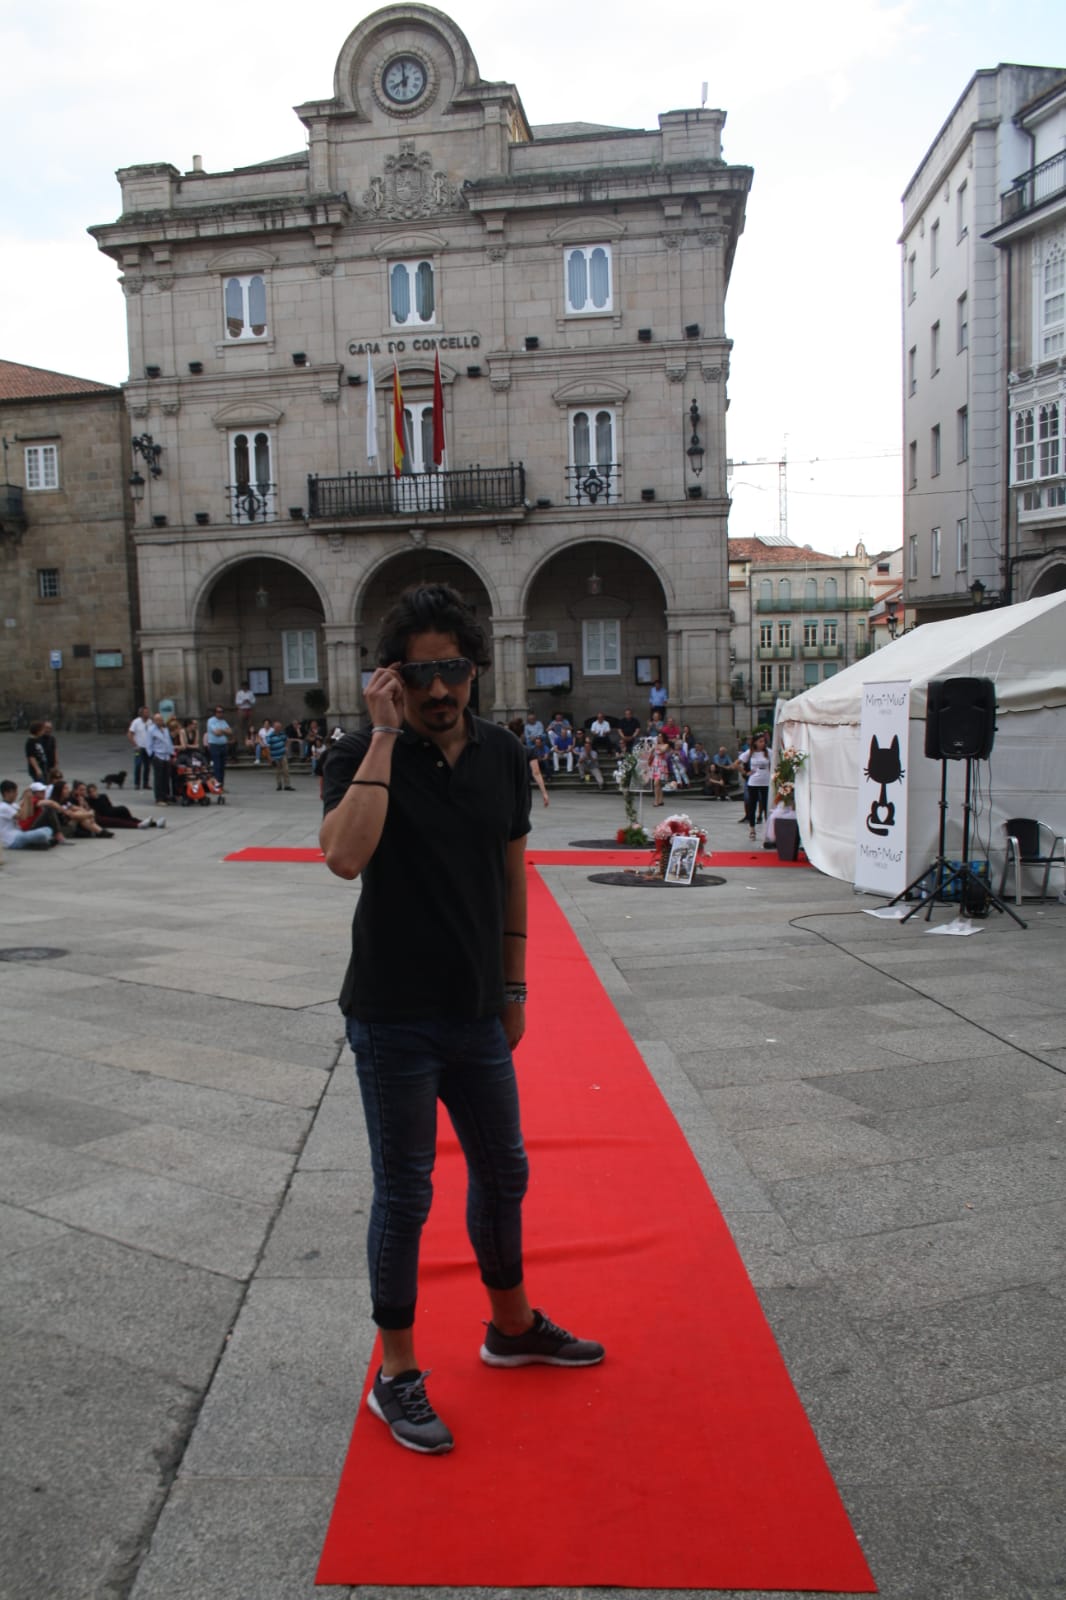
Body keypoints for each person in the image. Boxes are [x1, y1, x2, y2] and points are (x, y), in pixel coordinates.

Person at [320, 582, 602, 1455]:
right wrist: (384, 739)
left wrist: (514, 987)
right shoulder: (356, 753)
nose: (439, 690)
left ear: (476, 670)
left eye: (453, 671)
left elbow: (514, 873)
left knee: (504, 1171)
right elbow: (343, 856)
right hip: (394, 1015)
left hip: (479, 1011)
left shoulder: (502, 754)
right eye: (419, 672)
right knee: (406, 1193)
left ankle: (510, 1327)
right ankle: (396, 1373)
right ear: (389, 677)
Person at [82, 782, 165, 829]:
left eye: (94, 791)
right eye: (91, 792)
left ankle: (154, 824)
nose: (94, 793)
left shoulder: (103, 796)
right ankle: (142, 824)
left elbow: (109, 805)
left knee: (128, 817)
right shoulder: (89, 800)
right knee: (123, 820)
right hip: (105, 815)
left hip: (110, 811)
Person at [0, 781, 56, 850]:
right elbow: (23, 817)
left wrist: (29, 799)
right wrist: (26, 799)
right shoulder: (3, 807)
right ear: (6, 793)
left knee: (48, 829)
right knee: (42, 834)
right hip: (12, 840)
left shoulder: (13, 805)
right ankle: (43, 841)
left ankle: (40, 842)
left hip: (20, 833)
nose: (16, 794)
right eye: (14, 792)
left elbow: (29, 814)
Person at [743, 731, 771, 840]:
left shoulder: (768, 752)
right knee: (752, 804)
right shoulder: (750, 752)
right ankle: (752, 829)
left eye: (764, 741)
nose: (762, 743)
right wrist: (745, 773)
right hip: (754, 781)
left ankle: (767, 829)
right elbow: (738, 762)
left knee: (765, 805)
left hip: (766, 781)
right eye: (760, 741)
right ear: (755, 743)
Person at [147, 712, 175, 804]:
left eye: (161, 719)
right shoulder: (151, 730)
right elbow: (149, 744)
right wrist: (152, 755)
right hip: (158, 755)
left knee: (166, 778)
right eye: (158, 720)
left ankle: (166, 795)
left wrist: (172, 754)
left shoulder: (165, 729)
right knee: (159, 778)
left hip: (166, 756)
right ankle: (159, 798)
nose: (160, 721)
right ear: (154, 721)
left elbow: (169, 742)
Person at [204, 706, 232, 788]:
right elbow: (216, 733)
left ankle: (221, 785)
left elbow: (230, 732)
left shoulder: (223, 721)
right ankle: (217, 785)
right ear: (215, 713)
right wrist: (224, 731)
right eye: (219, 712)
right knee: (217, 766)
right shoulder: (211, 721)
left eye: (222, 712)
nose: (220, 713)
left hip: (223, 745)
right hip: (215, 745)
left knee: (222, 767)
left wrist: (222, 730)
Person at [127, 706, 153, 789]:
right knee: (138, 765)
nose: (147, 714)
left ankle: (146, 783)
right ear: (141, 713)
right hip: (139, 747)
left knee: (147, 766)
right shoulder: (136, 722)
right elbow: (130, 734)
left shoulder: (150, 722)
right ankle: (137, 783)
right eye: (145, 712)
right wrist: (135, 745)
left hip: (148, 747)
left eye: (148, 712)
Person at [264, 720, 294, 790]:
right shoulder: (270, 736)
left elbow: (287, 740)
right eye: (277, 727)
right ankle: (279, 785)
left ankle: (287, 785)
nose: (279, 728)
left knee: (286, 770)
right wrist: (269, 758)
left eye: (280, 727)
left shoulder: (282, 734)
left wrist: (286, 747)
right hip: (275, 756)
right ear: (274, 727)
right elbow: (267, 747)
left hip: (282, 754)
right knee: (278, 771)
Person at [235, 681, 256, 754]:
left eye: (246, 686)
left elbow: (253, 702)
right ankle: (241, 742)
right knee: (241, 726)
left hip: (249, 709)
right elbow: (237, 702)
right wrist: (243, 701)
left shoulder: (250, 693)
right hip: (242, 709)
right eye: (243, 686)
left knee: (250, 727)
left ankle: (250, 743)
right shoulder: (239, 693)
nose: (244, 687)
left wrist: (249, 701)